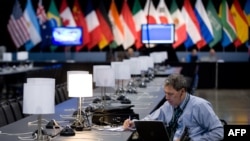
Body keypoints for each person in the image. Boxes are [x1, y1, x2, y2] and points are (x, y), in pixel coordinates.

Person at [123, 74, 224, 141]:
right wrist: (134, 123)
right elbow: (151, 119)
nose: (166, 98)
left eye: (170, 94)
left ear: (182, 92)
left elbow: (219, 132)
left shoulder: (200, 106)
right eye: (165, 93)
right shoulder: (169, 105)